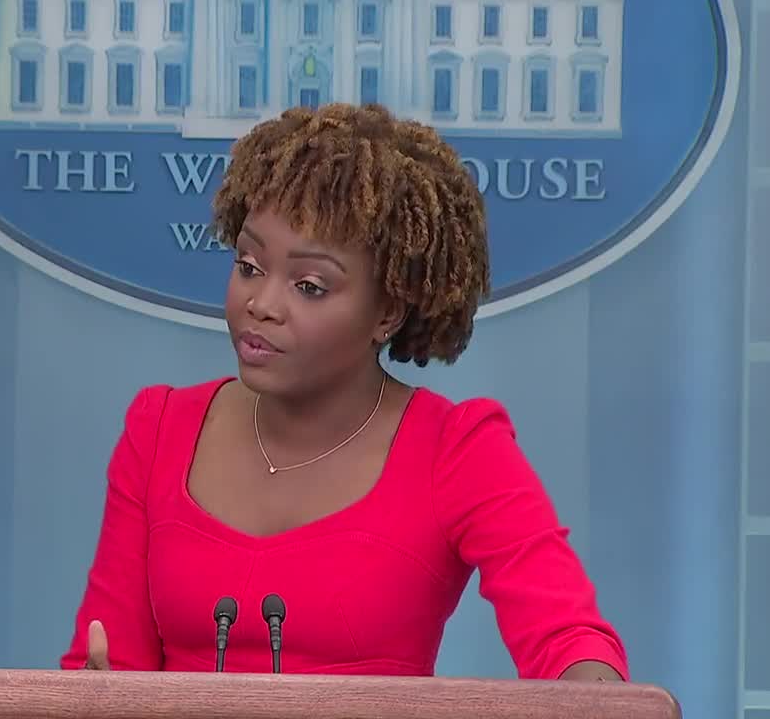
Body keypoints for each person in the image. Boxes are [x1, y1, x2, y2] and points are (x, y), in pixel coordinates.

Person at [59, 103, 628, 682]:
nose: (261, 304)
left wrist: (593, 688)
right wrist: (91, 690)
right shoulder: (159, 429)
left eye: (309, 285)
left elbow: (569, 641)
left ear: (386, 312)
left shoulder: (455, 449)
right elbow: (105, 662)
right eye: (250, 266)